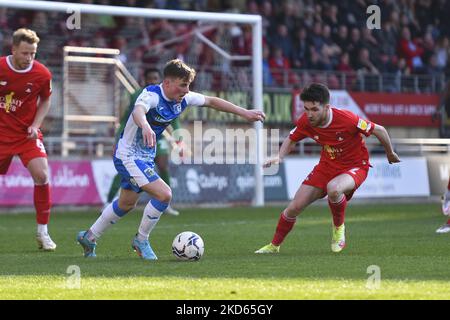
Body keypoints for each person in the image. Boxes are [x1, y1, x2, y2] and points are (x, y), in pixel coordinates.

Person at [77, 59, 265, 259]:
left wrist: (245, 113)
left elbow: (211, 101)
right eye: (183, 85)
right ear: (167, 83)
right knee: (164, 194)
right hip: (128, 155)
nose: (186, 90)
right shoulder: (151, 95)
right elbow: (138, 111)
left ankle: (89, 236)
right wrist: (145, 126)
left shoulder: (183, 98)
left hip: (145, 157)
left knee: (126, 204)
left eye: (188, 85)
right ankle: (141, 240)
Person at [255, 83, 400, 254]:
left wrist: (390, 153)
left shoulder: (348, 119)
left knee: (334, 189)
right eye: (306, 109)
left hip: (355, 166)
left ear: (327, 107)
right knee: (294, 207)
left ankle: (338, 228)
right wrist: (279, 156)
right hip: (326, 167)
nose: (309, 114)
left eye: (314, 109)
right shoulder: (306, 122)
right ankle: (274, 246)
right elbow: (291, 139)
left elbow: (380, 130)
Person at [0, 28, 56, 251]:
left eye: (33, 53)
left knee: (42, 175)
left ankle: (43, 233)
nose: (29, 58)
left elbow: (45, 100)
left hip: (26, 134)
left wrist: (36, 124)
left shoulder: (42, 74)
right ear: (13, 49)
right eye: (24, 53)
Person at [106, 67, 181, 215]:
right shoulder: (139, 95)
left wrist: (179, 139)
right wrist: (117, 139)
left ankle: (164, 203)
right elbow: (130, 117)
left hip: (156, 137)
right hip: (134, 139)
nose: (152, 81)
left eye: (155, 78)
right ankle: (108, 201)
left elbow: (175, 119)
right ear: (144, 80)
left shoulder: (168, 96)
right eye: (150, 78)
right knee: (125, 170)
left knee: (163, 165)